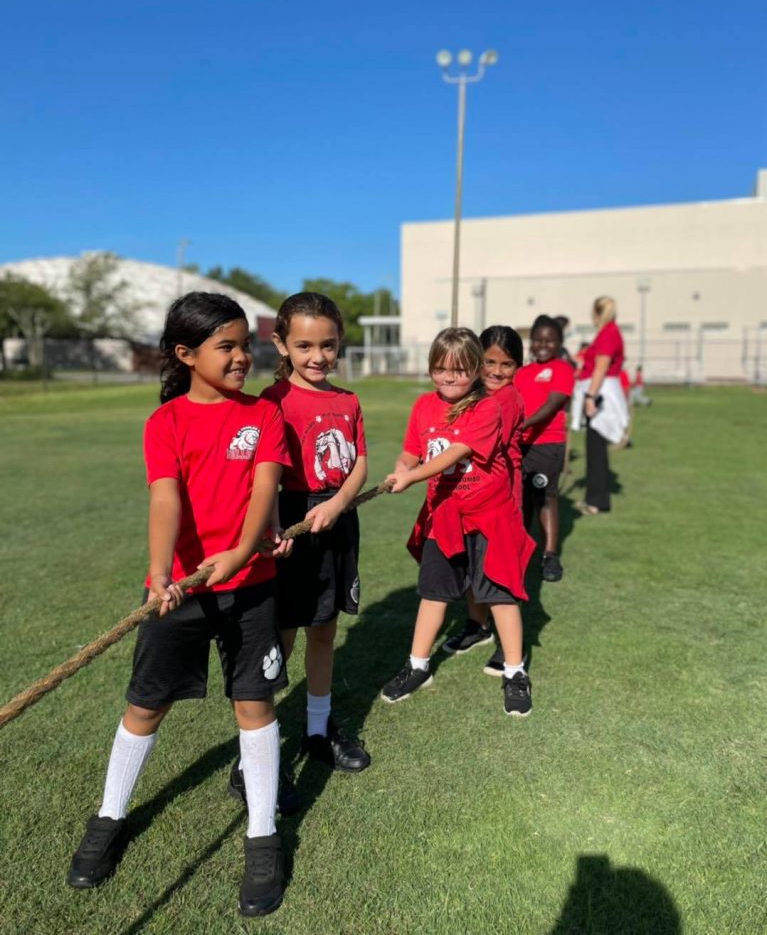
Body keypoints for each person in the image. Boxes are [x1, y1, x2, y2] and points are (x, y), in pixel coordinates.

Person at [67, 292, 292, 918]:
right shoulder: (163, 423)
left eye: (246, 343)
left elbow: (263, 493)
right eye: (227, 346)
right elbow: (165, 499)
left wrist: (243, 553)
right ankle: (109, 817)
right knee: (146, 703)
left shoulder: (265, 416)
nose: (242, 356)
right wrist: (161, 574)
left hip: (249, 584)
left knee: (254, 702)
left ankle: (262, 833)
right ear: (185, 354)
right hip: (180, 590)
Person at [229, 291, 370, 801]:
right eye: (305, 345)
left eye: (328, 345)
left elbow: (358, 464)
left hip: (337, 520)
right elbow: (259, 475)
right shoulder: (271, 402)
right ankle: (253, 754)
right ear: (281, 344)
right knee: (279, 641)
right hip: (288, 521)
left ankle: (316, 728)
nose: (318, 356)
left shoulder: (348, 401)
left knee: (324, 631)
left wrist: (339, 504)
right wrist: (270, 526)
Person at [380, 327, 534, 717]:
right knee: (433, 592)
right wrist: (403, 467)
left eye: (459, 370)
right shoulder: (423, 406)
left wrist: (413, 477)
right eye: (440, 369)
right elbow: (413, 450)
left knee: (499, 592)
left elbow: (457, 452)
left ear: (475, 370)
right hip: (444, 516)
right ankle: (418, 666)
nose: (449, 377)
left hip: (489, 516)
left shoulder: (487, 407)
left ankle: (515, 672)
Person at [441, 325, 532, 659]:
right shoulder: (473, 394)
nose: (496, 371)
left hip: (500, 501)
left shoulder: (504, 401)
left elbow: (476, 445)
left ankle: (511, 645)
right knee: (472, 566)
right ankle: (477, 625)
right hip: (471, 497)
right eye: (489, 361)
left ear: (517, 366)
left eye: (506, 364)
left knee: (499, 572)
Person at [514, 315, 575, 582]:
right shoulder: (522, 372)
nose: (543, 345)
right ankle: (521, 551)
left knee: (545, 497)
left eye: (550, 340)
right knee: (523, 500)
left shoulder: (562, 369)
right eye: (538, 340)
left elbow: (553, 403)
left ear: (560, 342)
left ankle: (550, 554)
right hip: (519, 445)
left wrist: (523, 424)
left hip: (547, 444)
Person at [571, 296, 628, 515]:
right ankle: (596, 498)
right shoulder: (610, 332)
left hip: (602, 391)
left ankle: (596, 500)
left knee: (595, 449)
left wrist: (590, 396)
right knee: (596, 448)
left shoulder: (607, 334)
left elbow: (601, 368)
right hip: (603, 389)